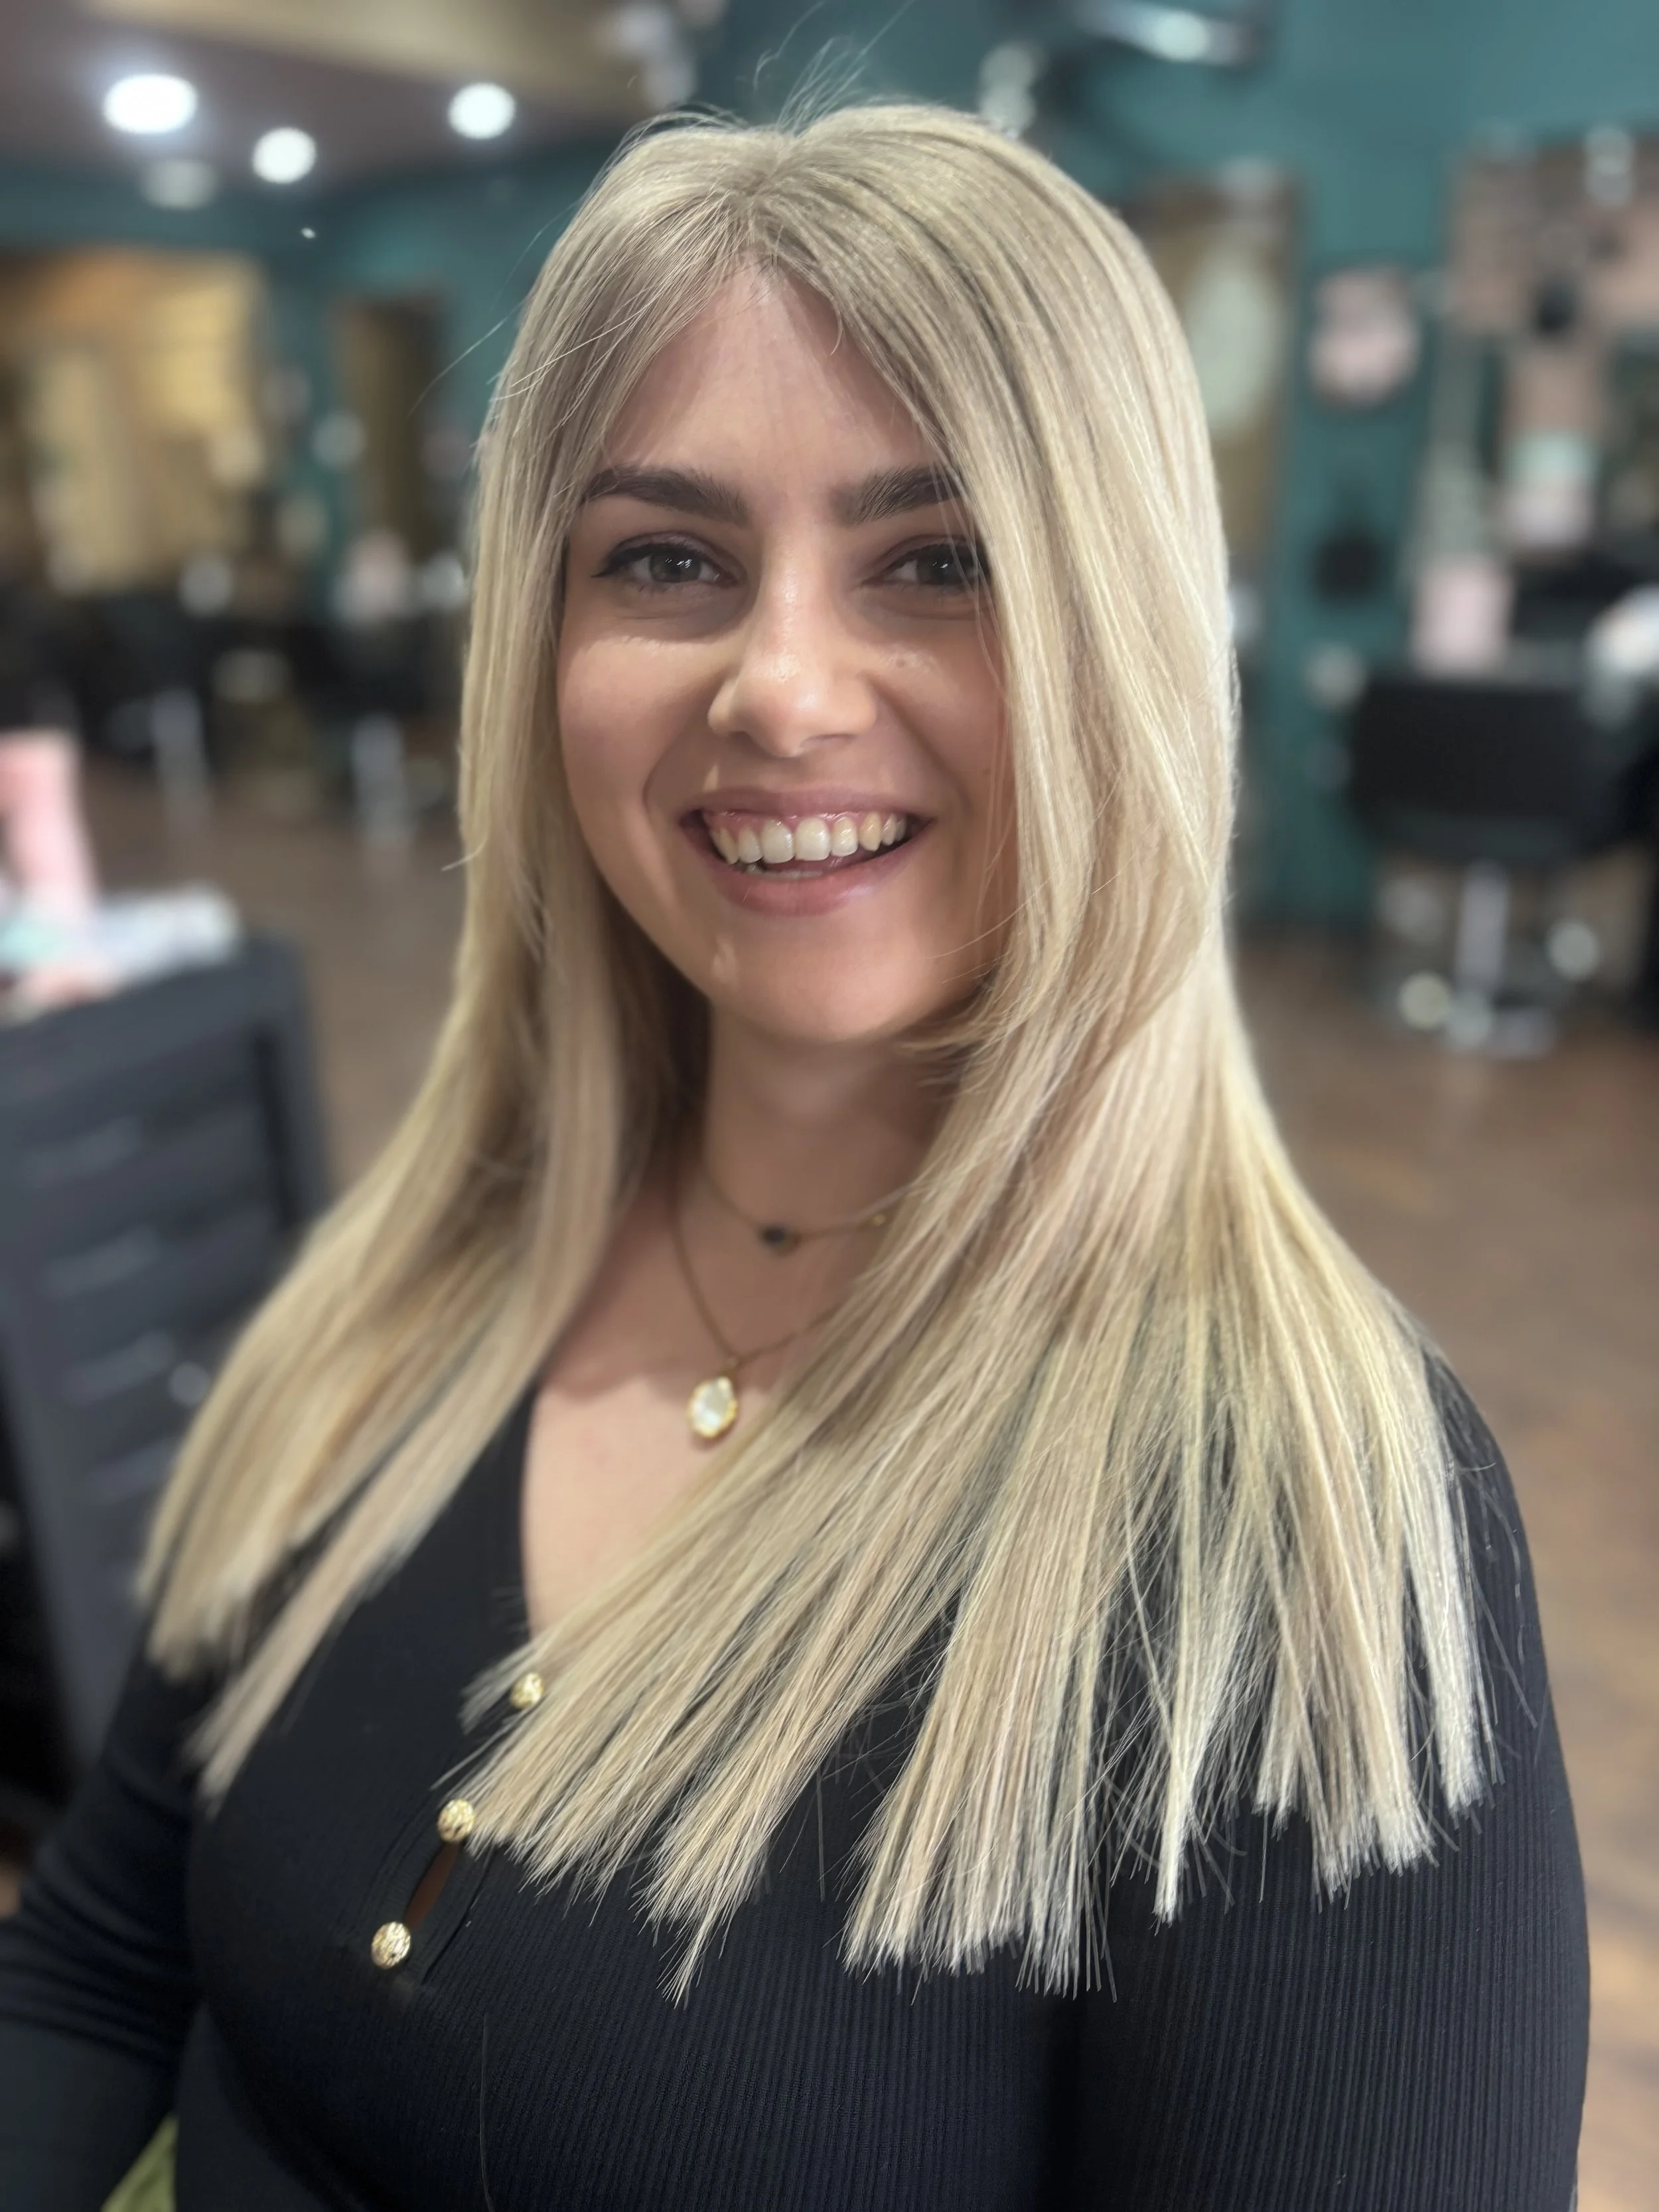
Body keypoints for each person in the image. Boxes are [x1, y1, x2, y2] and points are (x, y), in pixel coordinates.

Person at [0, 105, 1587, 2209]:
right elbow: (102, 1961)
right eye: (667, 559)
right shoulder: (399, 1295)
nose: (781, 686)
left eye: (937, 560)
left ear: (1115, 643)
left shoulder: (1304, 1546)